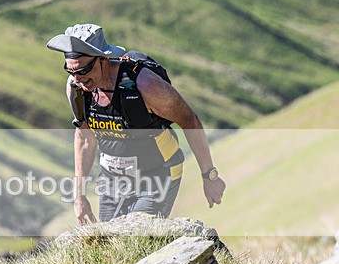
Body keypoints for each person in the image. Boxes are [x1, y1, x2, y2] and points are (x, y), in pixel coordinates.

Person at [46, 23, 225, 224]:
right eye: (71, 71)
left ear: (103, 59)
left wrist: (209, 176)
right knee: (110, 246)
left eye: (83, 70)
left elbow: (190, 121)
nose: (78, 79)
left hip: (157, 175)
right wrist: (79, 196)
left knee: (137, 236)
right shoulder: (76, 90)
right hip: (112, 181)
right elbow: (84, 138)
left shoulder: (146, 85)